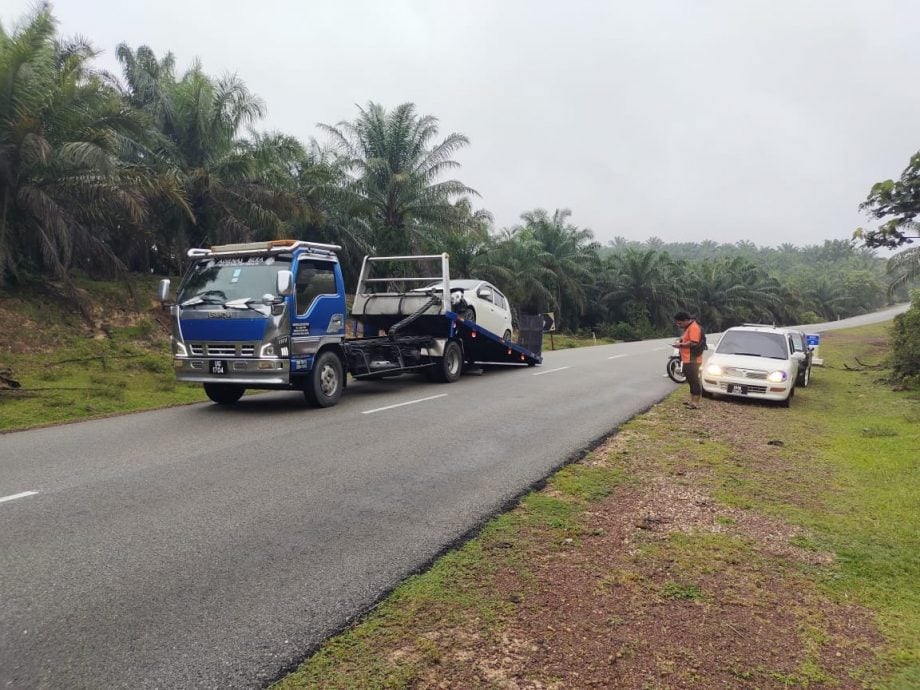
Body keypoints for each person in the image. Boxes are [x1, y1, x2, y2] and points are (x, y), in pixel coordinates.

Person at [673, 311, 703, 409]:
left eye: (680, 323)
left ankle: (696, 403)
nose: (678, 325)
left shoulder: (694, 327)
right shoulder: (688, 327)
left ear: (686, 320)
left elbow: (693, 343)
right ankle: (692, 400)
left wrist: (680, 345)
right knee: (690, 380)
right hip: (687, 359)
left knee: (694, 380)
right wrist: (680, 341)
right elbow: (686, 339)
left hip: (693, 359)